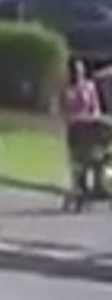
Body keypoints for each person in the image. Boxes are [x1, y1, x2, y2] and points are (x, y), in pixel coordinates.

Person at [61, 61, 106, 198]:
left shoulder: (90, 87)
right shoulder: (66, 90)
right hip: (75, 129)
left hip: (90, 127)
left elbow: (95, 107)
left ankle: (99, 186)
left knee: (97, 155)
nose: (78, 74)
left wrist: (93, 117)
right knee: (79, 160)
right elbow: (65, 110)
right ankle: (81, 186)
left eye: (80, 71)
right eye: (75, 71)